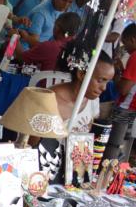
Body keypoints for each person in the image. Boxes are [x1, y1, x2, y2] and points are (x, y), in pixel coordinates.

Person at [52, 49, 114, 134]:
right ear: (81, 74)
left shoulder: (93, 100)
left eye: (107, 82)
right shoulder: (51, 100)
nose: (104, 88)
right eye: (100, 80)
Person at [105, 24, 136, 161]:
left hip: (125, 107)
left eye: (125, 43)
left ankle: (106, 178)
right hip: (132, 108)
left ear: (133, 40)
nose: (126, 48)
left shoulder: (135, 56)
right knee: (121, 148)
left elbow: (124, 88)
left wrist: (117, 73)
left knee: (112, 147)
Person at [12, 12, 80, 72]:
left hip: (39, 85)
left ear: (57, 27)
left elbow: (21, 58)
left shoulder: (51, 47)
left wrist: (15, 38)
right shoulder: (74, 50)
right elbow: (42, 48)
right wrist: (27, 38)